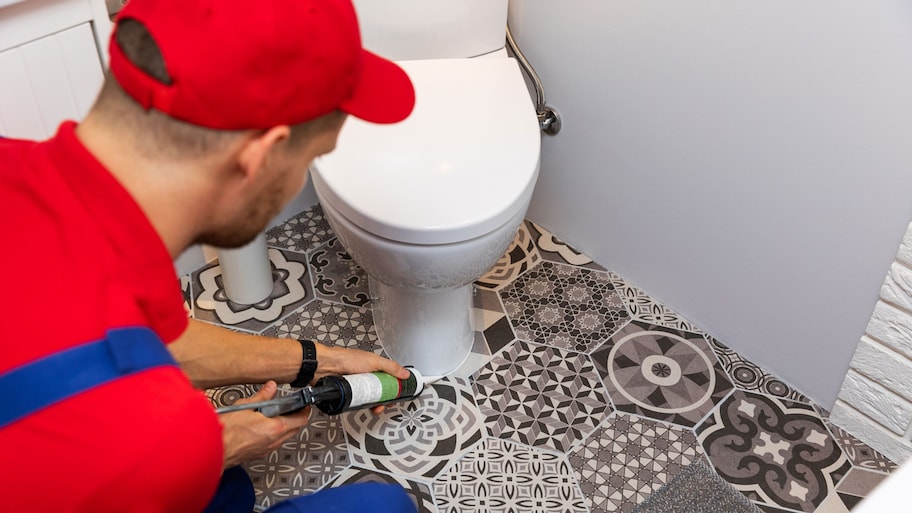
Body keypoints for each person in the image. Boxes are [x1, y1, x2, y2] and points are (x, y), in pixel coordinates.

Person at [0, 0, 418, 511]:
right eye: (312, 157)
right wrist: (209, 447)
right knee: (384, 507)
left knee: (223, 486)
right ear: (259, 157)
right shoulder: (152, 444)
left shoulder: (25, 173)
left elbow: (140, 337)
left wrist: (318, 361)